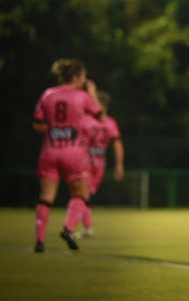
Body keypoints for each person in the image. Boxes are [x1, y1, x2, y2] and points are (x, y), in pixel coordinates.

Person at [32, 58, 103, 252]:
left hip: (49, 150)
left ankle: (39, 242)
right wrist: (92, 93)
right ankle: (67, 228)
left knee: (46, 197)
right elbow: (100, 116)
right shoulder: (82, 96)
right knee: (81, 194)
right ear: (76, 77)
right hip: (73, 152)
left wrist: (56, 129)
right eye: (83, 77)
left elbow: (37, 124)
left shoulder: (48, 94)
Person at [76, 90, 125, 238]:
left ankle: (84, 227)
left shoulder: (107, 122)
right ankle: (83, 227)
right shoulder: (87, 120)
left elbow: (117, 143)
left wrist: (119, 165)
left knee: (85, 194)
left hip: (98, 162)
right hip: (86, 160)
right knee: (82, 193)